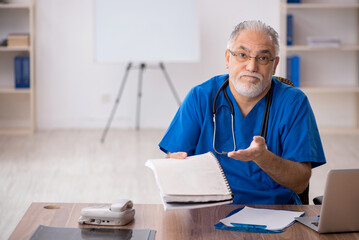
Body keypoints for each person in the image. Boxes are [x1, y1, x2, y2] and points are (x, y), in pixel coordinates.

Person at [158, 20, 326, 204]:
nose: (252, 67)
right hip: (209, 212)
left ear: (275, 64)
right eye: (242, 55)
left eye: (262, 58)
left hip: (275, 215)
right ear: (228, 59)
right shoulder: (201, 97)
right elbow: (173, 161)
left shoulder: (293, 102)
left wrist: (263, 158)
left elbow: (300, 182)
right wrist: (172, 165)